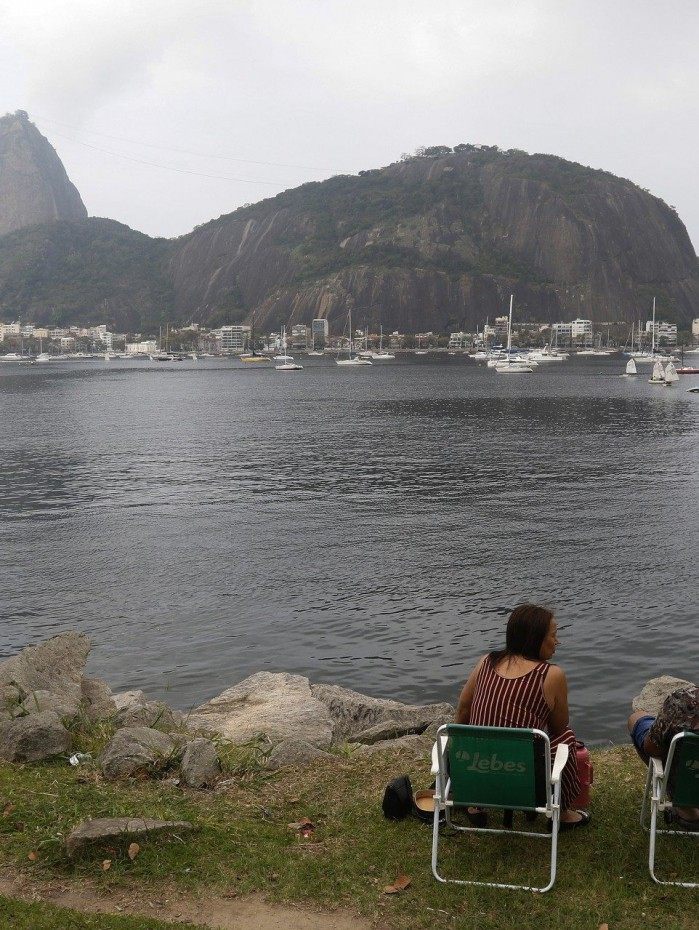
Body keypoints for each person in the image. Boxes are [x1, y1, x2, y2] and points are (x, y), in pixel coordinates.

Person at [455, 603, 589, 829]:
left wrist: (459, 755)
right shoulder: (551, 675)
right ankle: (563, 814)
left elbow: (463, 711)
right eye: (553, 635)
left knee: (477, 736)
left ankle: (474, 806)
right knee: (565, 737)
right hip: (526, 783)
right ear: (536, 638)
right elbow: (558, 727)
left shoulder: (486, 662)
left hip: (475, 774)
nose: (557, 641)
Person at [627, 684, 698, 831]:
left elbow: (651, 749)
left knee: (636, 718)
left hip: (683, 777)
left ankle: (687, 810)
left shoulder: (683, 700)